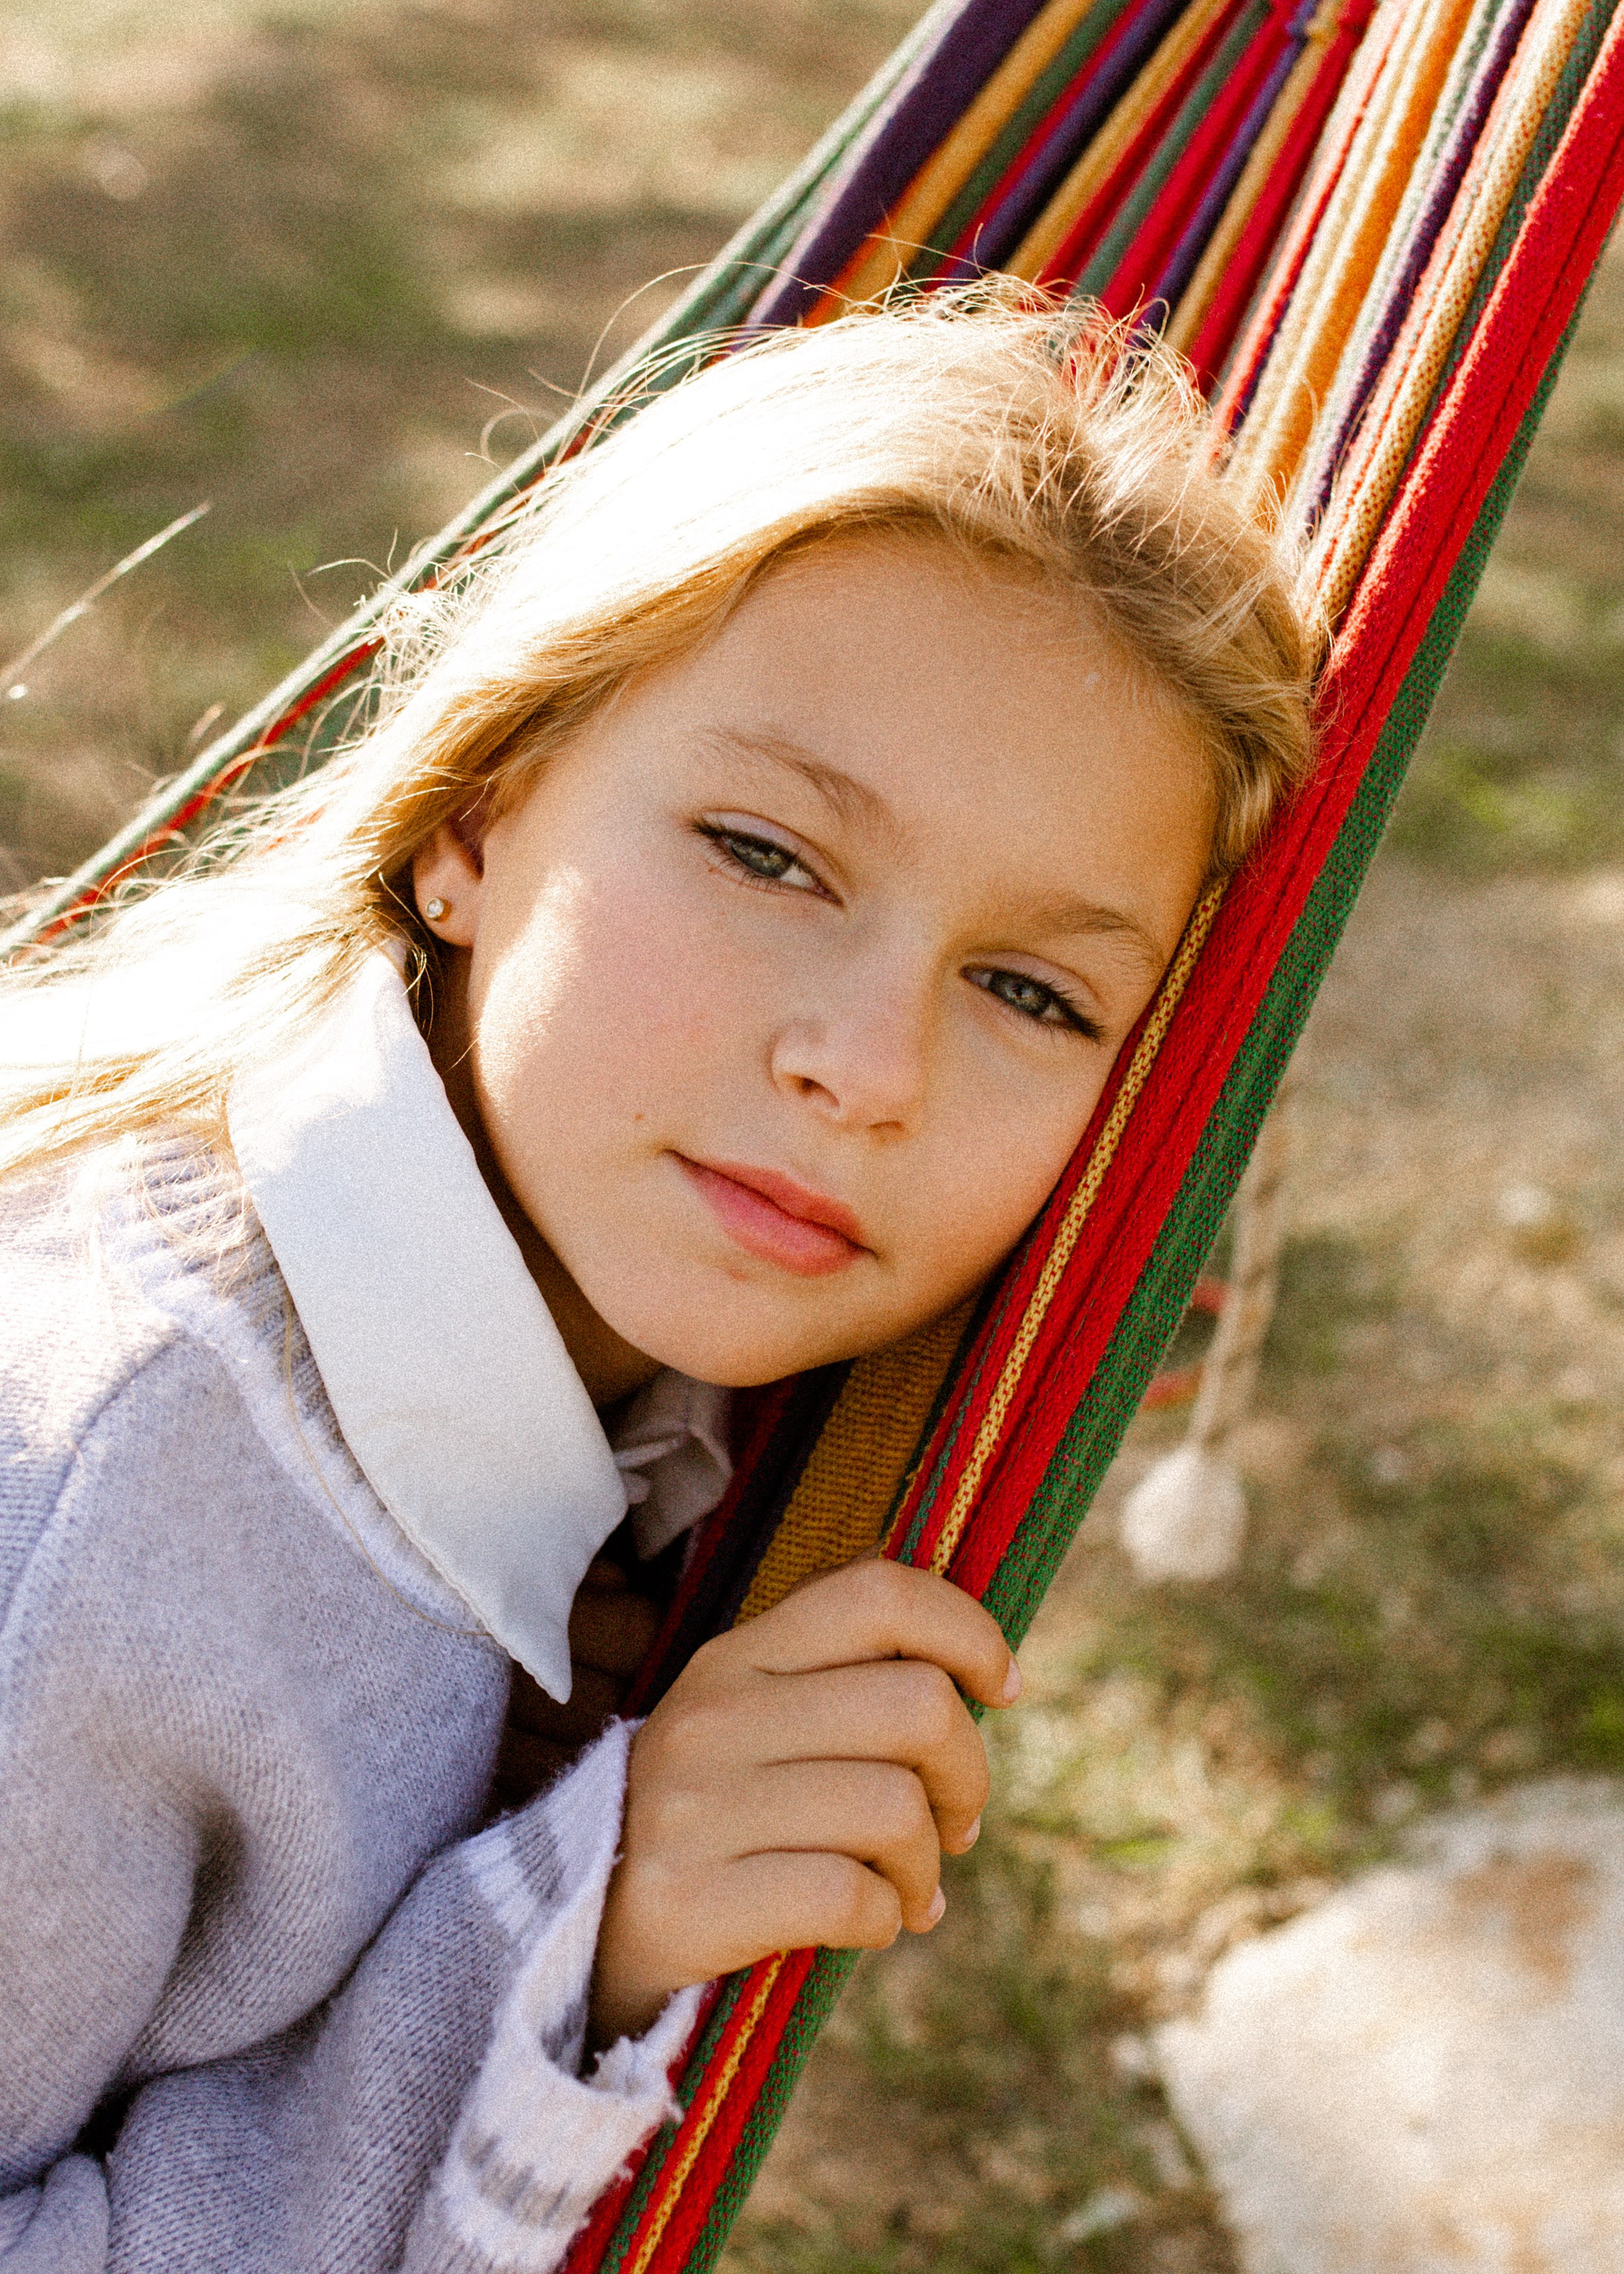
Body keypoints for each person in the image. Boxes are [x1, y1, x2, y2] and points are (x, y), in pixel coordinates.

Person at [0, 287, 1317, 2272]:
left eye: (1031, 990)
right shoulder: (105, 1503)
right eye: (764, 854)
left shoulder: (624, 1380)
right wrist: (562, 1930)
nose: (863, 1072)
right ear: (474, 808)